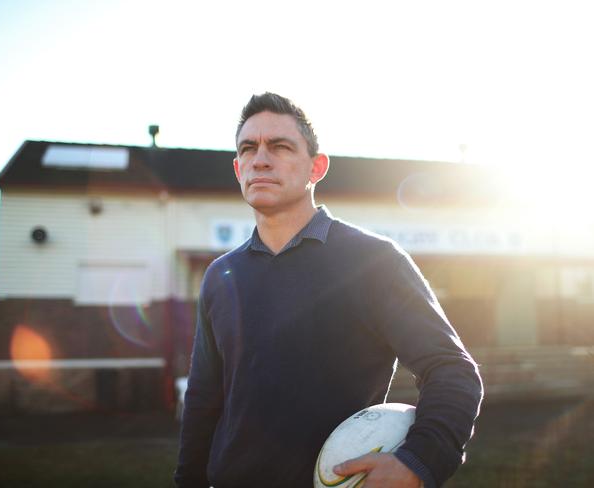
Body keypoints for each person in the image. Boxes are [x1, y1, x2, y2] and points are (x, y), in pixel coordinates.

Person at [175, 93, 483, 488]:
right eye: (248, 148)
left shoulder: (373, 262)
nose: (261, 159)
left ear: (316, 167)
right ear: (238, 169)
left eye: (280, 146)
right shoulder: (222, 275)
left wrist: (418, 461)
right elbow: (203, 400)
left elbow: (453, 370)